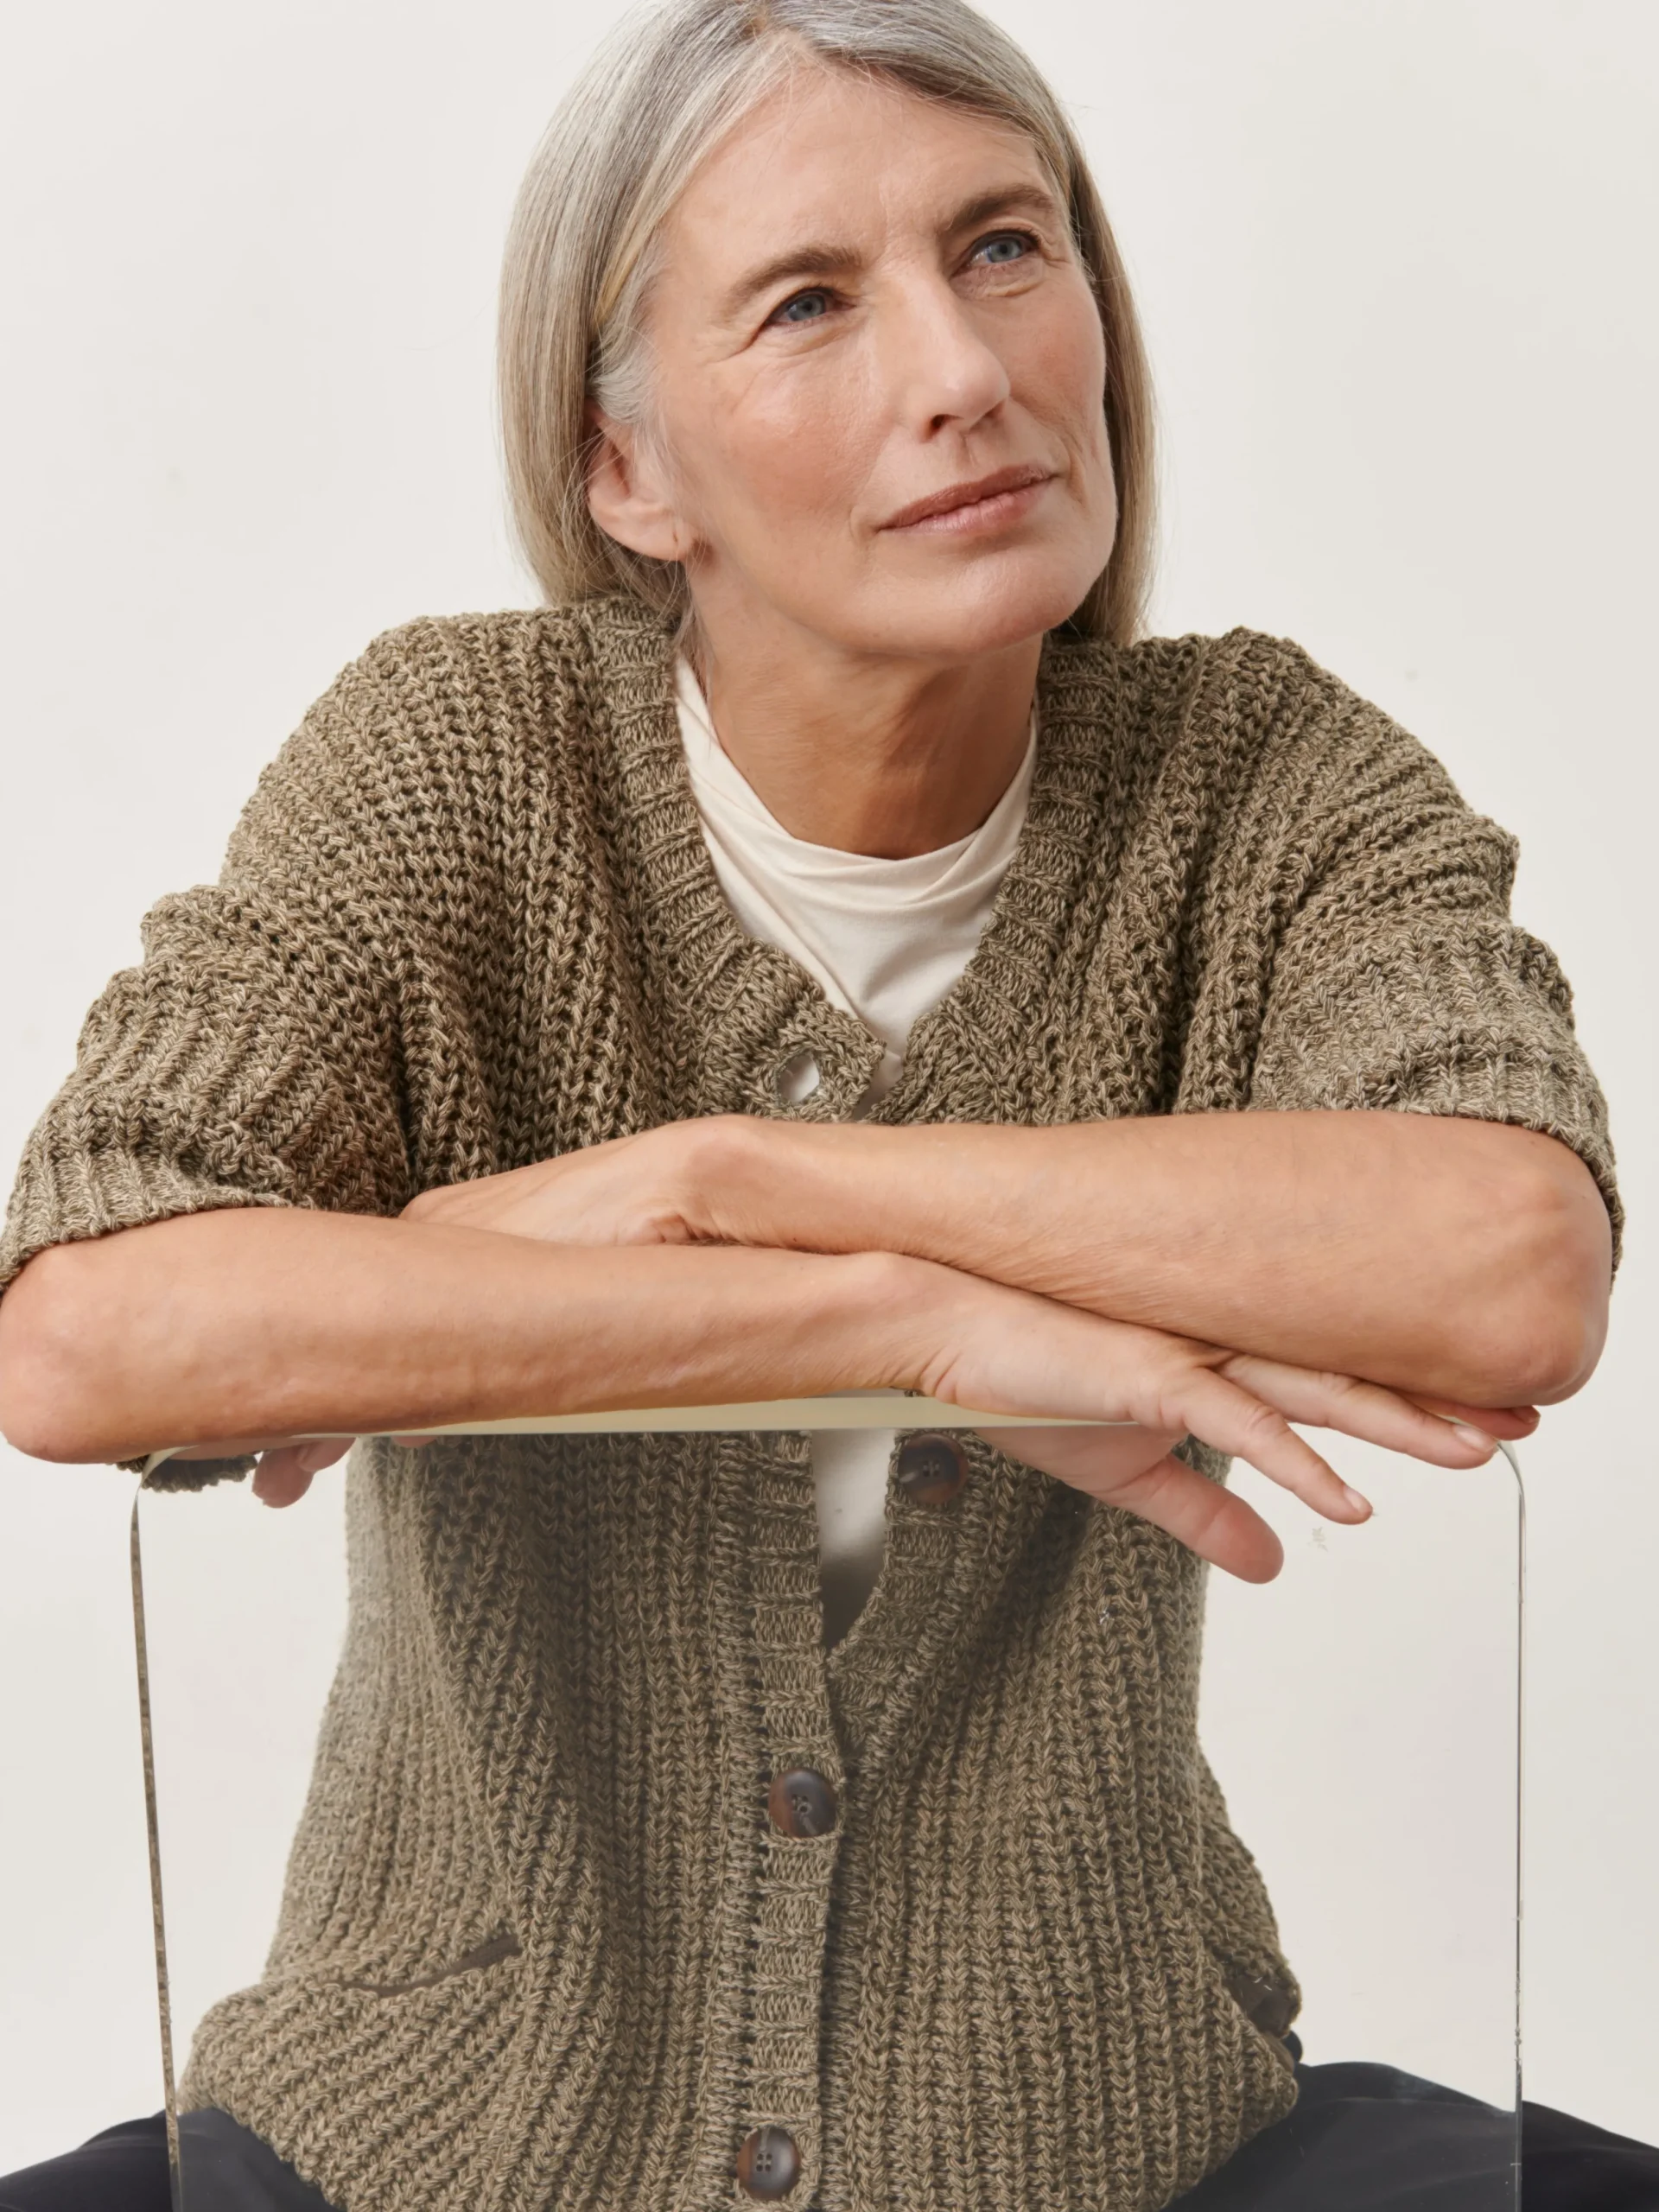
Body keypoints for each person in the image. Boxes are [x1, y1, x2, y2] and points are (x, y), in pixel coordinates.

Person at [0, 1, 1649, 2206]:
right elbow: (91, 1319)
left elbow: (1509, 1257)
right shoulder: (459, 763)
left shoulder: (1261, 776)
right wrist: (908, 1320)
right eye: (806, 302)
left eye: (1004, 247)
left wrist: (729, 1176)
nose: (963, 370)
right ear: (627, 468)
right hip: (441, 2128)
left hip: (1104, 2136)